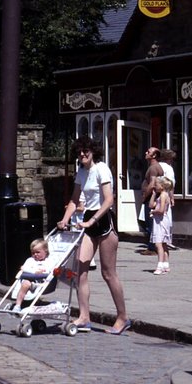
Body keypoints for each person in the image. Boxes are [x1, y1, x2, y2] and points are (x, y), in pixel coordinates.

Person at [56, 136, 131, 335]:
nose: (82, 154)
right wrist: (65, 219)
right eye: (79, 151)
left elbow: (109, 200)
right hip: (88, 221)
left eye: (86, 150)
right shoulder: (81, 172)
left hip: (104, 220)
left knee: (108, 273)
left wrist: (92, 220)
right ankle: (84, 316)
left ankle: (122, 317)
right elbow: (74, 199)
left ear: (93, 151)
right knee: (80, 269)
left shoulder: (101, 169)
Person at [12, 238, 50, 313]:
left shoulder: (49, 261)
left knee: (29, 282)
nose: (35, 254)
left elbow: (48, 271)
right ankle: (18, 305)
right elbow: (24, 268)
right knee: (26, 283)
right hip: (28, 280)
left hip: (41, 281)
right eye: (33, 253)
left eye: (38, 252)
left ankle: (34, 288)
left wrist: (41, 273)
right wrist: (34, 272)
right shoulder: (30, 260)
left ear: (45, 251)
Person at [138, 146, 163, 249]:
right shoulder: (155, 167)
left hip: (150, 199)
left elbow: (152, 184)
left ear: (154, 155)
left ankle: (152, 247)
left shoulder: (153, 168)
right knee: (148, 222)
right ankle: (153, 245)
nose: (145, 153)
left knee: (149, 223)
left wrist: (145, 196)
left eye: (148, 152)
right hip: (152, 198)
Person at [150, 176, 173, 274]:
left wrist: (153, 212)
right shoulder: (161, 195)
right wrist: (153, 195)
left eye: (157, 184)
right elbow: (151, 205)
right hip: (159, 221)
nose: (155, 186)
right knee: (163, 244)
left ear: (162, 186)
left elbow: (161, 210)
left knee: (158, 243)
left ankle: (160, 265)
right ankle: (166, 265)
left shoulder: (163, 195)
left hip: (161, 221)